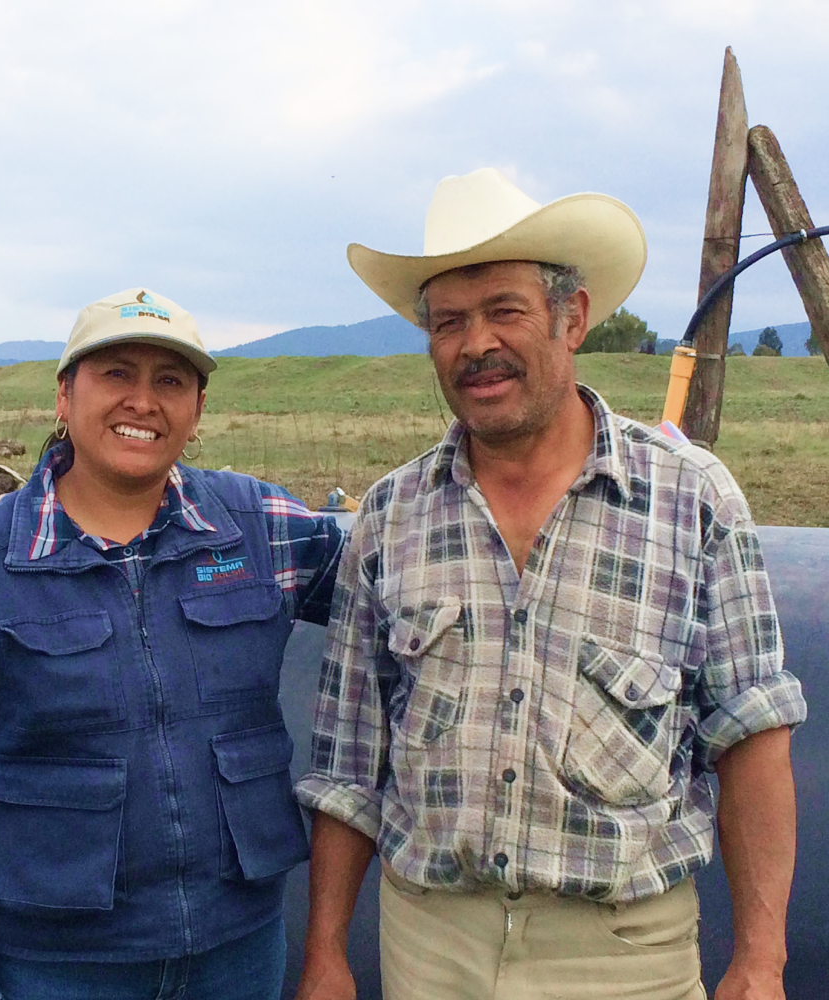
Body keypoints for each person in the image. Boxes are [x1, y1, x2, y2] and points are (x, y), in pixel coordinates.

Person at [294, 169, 807, 1000]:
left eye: (504, 310)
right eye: (449, 322)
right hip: (429, 944)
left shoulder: (693, 497)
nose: (474, 345)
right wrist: (324, 954)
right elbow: (349, 762)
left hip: (624, 953)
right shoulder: (389, 516)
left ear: (573, 318)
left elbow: (749, 735)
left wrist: (761, 957)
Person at [0, 288, 344, 1000]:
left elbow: (404, 578)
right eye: (116, 374)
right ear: (63, 398)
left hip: (239, 955)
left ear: (197, 411)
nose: (143, 400)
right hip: (56, 970)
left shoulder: (261, 529)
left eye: (170, 380)